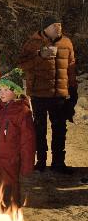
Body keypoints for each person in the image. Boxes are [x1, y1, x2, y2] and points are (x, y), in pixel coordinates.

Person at [18, 15, 77, 174]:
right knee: (39, 129)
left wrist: (73, 89)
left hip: (59, 95)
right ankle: (41, 161)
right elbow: (22, 65)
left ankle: (58, 163)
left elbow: (71, 67)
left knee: (60, 129)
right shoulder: (33, 43)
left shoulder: (66, 42)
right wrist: (39, 56)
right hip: (39, 94)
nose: (58, 28)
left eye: (59, 25)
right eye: (54, 25)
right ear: (45, 28)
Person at [0, 68, 36, 208]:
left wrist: (26, 167)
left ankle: (11, 218)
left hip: (11, 162)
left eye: (7, 90)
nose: (2, 93)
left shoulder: (22, 113)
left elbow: (28, 143)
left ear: (16, 92)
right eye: (0, 90)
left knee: (10, 193)